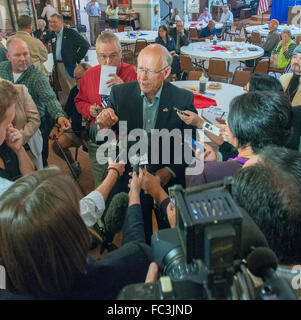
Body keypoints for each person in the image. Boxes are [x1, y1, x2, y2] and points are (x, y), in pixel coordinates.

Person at [93, 44, 197, 243]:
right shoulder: (119, 94)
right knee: (137, 232)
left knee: (171, 235)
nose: (142, 77)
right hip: (130, 178)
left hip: (166, 180)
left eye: (149, 71)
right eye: (140, 68)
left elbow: (189, 145)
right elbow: (99, 137)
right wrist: (101, 126)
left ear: (166, 72)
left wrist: (169, 171)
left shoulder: (183, 99)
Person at [0, 166, 152, 300]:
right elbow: (136, 249)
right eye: (77, 210)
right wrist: (134, 196)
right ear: (74, 234)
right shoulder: (109, 274)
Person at [188, 91, 293, 187]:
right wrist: (217, 158)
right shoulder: (287, 171)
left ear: (243, 131)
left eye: (231, 119)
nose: (226, 123)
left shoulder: (207, 173)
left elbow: (189, 207)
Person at [75, 31, 137, 186]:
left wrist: (124, 88)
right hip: (99, 131)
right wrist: (89, 109)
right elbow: (79, 101)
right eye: (103, 56)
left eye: (113, 56)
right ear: (97, 56)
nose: (108, 61)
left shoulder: (133, 73)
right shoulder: (89, 75)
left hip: (128, 130)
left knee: (128, 182)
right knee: (103, 183)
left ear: (121, 54)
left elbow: (142, 105)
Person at [0, 38, 70, 167]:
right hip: (6, 126)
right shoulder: (2, 69)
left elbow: (50, 98)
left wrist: (59, 116)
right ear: (8, 56)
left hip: (34, 124)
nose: (23, 58)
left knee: (39, 161)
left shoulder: (37, 75)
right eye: (17, 55)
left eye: (25, 54)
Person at [51, 62, 92, 176]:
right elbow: (66, 112)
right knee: (56, 145)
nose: (75, 81)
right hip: (76, 130)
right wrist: (57, 126)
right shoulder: (75, 90)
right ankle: (74, 165)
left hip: (92, 134)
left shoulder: (97, 91)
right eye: (74, 78)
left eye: (77, 78)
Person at [0, 79, 34, 185]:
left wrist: (19, 150)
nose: (10, 127)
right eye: (7, 123)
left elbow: (31, 178)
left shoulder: (6, 143)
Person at [48, 13, 90, 100]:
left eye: (54, 22)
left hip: (68, 65)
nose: (52, 24)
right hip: (58, 66)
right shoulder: (53, 34)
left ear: (61, 22)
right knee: (65, 90)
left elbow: (85, 45)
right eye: (51, 22)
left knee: (73, 89)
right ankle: (69, 109)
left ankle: (77, 108)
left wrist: (76, 58)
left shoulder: (70, 33)